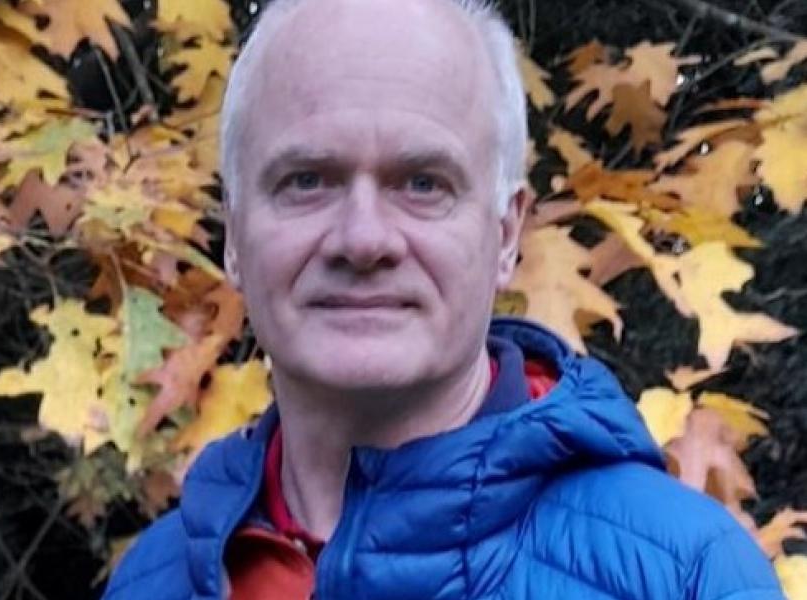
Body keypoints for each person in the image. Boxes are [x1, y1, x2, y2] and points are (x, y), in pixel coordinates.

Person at [103, 0, 784, 598]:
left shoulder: (684, 574)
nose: (362, 239)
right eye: (307, 180)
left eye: (423, 183)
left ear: (506, 233)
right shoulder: (156, 579)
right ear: (233, 234)